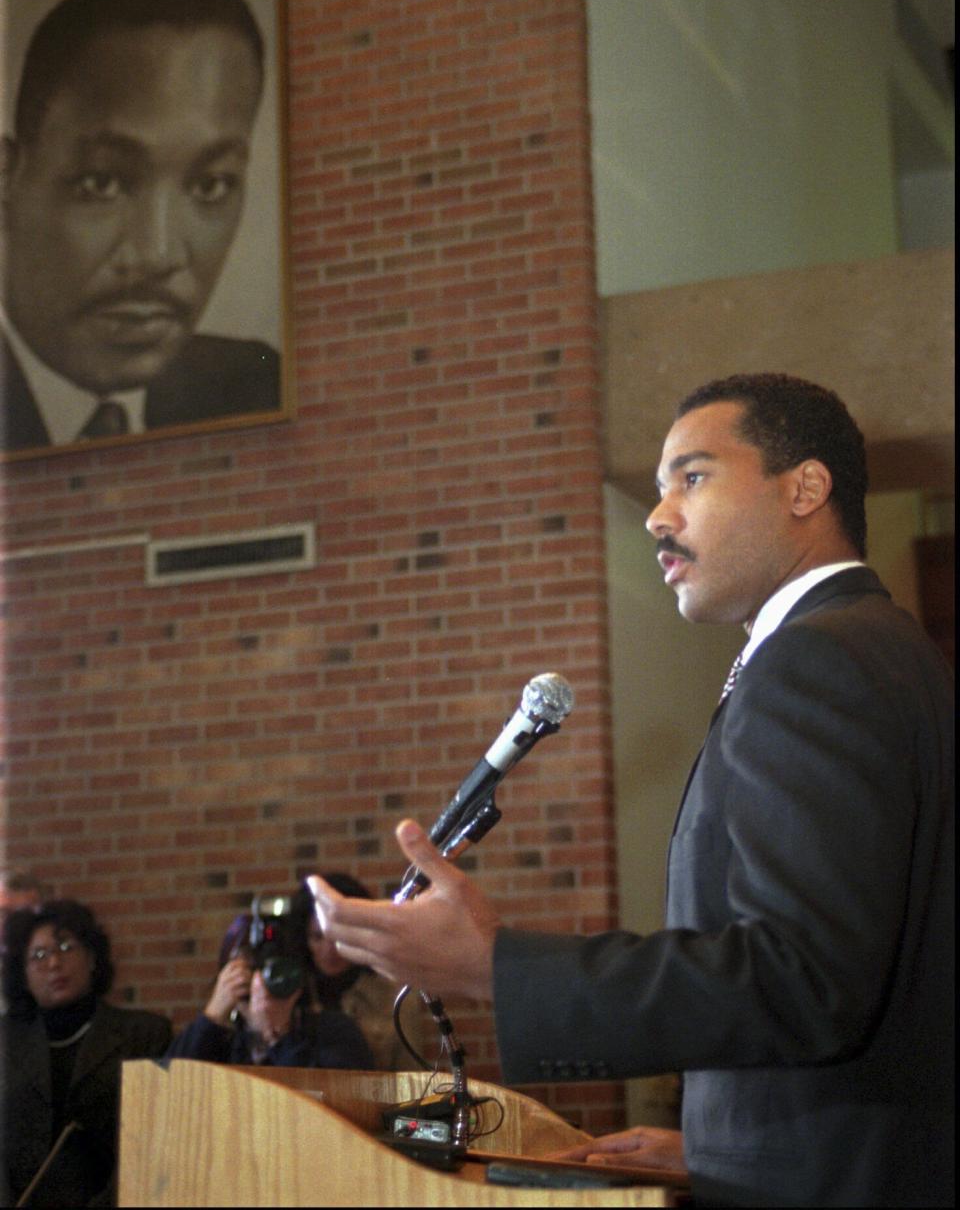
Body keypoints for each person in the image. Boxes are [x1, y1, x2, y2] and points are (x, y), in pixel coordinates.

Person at [307, 373, 955, 1208]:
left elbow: (806, 978)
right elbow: (879, 980)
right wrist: (714, 1147)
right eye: (658, 488)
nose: (657, 516)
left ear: (806, 487)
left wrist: (498, 967)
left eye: (693, 477)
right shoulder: (883, 646)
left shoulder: (816, 660)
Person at [0, 0, 281, 454]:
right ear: (7, 181)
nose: (157, 255)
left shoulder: (253, 388)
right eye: (102, 183)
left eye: (211, 185)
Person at [1, 898, 172, 1207]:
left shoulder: (144, 1035)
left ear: (92, 958)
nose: (54, 963)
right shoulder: (4, 1041)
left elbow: (155, 1142)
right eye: (39, 955)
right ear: (23, 975)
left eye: (66, 948)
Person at [166, 909, 374, 1070]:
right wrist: (212, 1015)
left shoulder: (335, 1032)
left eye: (273, 972)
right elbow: (169, 1087)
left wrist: (279, 1035)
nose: (261, 983)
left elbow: (327, 1100)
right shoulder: (220, 1040)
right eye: (247, 970)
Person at [291, 875, 432, 1071]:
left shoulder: (395, 998)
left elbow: (412, 1076)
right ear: (304, 939)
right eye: (317, 937)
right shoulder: (292, 994)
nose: (329, 950)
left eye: (338, 937)